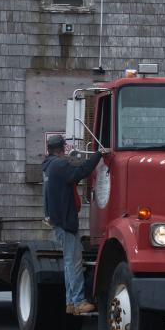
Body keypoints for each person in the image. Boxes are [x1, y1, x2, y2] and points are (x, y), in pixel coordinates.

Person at [42, 135, 110, 315]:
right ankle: (79, 301)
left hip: (58, 221)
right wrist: (98, 155)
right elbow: (81, 171)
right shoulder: (59, 165)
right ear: (61, 149)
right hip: (65, 221)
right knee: (74, 262)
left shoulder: (49, 167)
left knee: (68, 262)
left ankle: (71, 302)